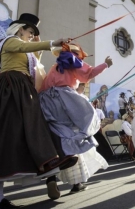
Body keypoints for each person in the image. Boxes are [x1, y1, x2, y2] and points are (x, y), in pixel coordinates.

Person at [0, 13, 76, 208]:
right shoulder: (8, 40)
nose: (31, 35)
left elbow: (34, 64)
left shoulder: (24, 47)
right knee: (5, 137)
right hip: (8, 90)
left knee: (15, 138)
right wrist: (51, 42)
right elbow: (22, 47)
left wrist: (42, 47)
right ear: (20, 29)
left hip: (21, 90)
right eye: (30, 31)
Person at [39, 43, 112, 198]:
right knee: (76, 133)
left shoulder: (55, 66)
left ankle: (52, 177)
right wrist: (106, 64)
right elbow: (88, 74)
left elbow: (43, 86)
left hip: (46, 102)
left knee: (57, 137)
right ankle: (76, 183)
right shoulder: (71, 60)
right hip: (64, 98)